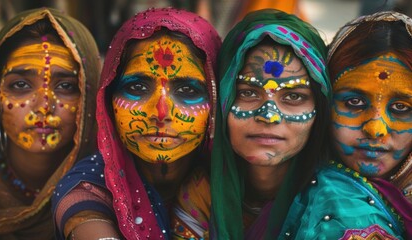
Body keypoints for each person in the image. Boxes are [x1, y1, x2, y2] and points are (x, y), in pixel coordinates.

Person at [51, 7, 221, 240]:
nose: (161, 113)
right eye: (137, 88)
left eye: (187, 90)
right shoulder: (87, 188)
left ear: (216, 101)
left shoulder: (233, 182)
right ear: (108, 99)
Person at [280, 11, 412, 239]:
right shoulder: (339, 210)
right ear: (325, 103)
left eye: (401, 108)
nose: (375, 129)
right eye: (355, 102)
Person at [209, 9, 331, 239]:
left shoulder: (338, 207)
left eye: (294, 97)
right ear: (221, 100)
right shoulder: (198, 193)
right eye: (247, 93)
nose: (269, 116)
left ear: (320, 109)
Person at [0, 7, 100, 240]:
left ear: (90, 96)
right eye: (20, 85)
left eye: (65, 86)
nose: (44, 106)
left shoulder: (109, 189)